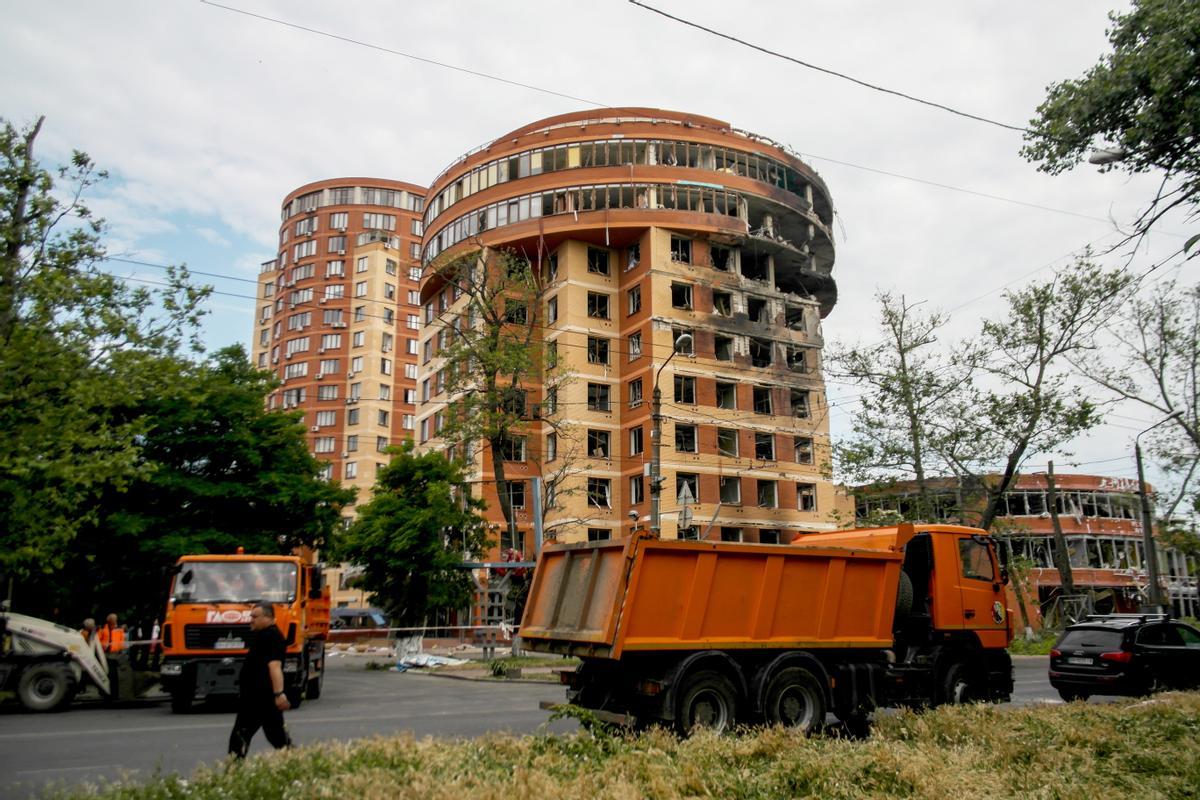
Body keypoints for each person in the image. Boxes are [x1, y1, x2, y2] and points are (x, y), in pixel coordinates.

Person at [228, 603, 291, 758]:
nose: (251, 620)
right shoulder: (263, 635)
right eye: (251, 616)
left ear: (268, 617)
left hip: (260, 697)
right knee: (277, 738)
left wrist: (279, 694)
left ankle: (233, 770)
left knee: (240, 736)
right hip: (258, 697)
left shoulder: (273, 637)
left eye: (255, 617)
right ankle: (297, 764)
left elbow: (275, 666)